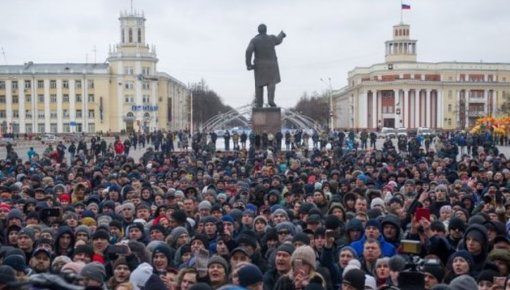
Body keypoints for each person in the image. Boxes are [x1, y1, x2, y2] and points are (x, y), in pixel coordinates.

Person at [245, 24, 286, 108]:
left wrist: (248, 64)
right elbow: (278, 40)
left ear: (258, 31)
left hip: (259, 66)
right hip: (272, 65)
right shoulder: (271, 38)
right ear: (266, 30)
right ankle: (271, 100)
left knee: (259, 85)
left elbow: (248, 51)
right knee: (271, 83)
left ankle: (259, 103)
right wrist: (282, 34)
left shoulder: (254, 40)